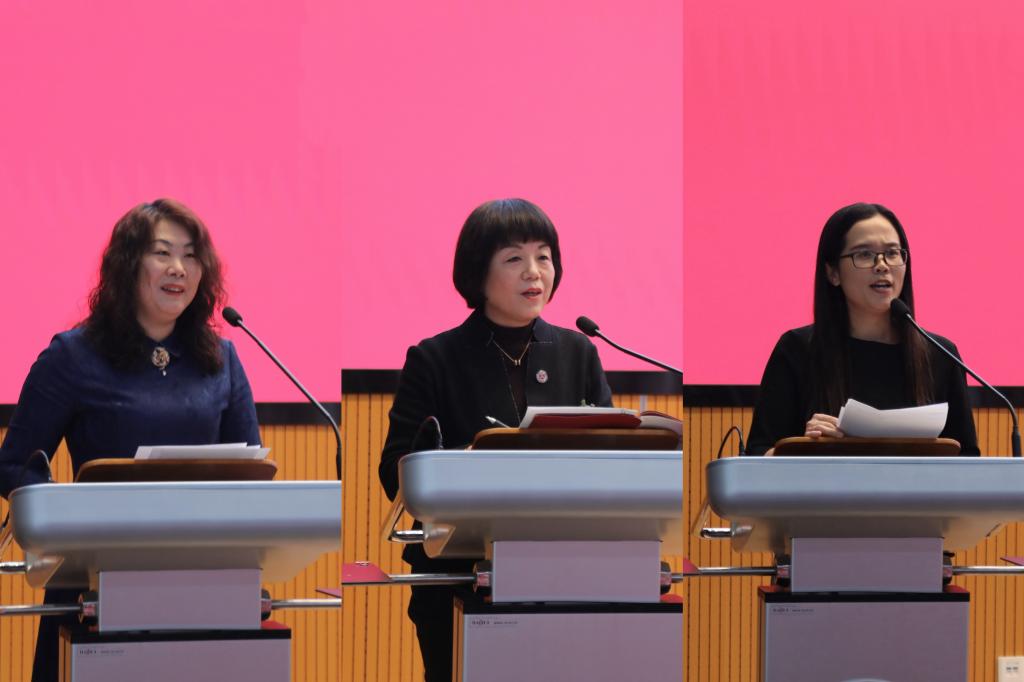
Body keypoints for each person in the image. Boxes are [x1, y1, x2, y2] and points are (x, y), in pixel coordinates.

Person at [0, 198, 261, 682]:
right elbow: (15, 465)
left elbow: (250, 475)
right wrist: (65, 523)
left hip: (201, 585)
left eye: (191, 255)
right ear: (128, 264)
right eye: (162, 253)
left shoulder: (221, 360)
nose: (178, 268)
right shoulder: (73, 356)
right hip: (93, 586)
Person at [379, 198, 612, 681]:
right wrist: (463, 466)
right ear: (477, 272)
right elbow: (394, 469)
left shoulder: (579, 353)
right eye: (514, 258)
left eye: (544, 256)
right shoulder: (434, 359)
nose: (534, 272)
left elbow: (611, 462)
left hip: (563, 573)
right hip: (456, 579)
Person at [746, 202, 979, 455]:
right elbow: (757, 454)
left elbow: (968, 459)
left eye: (892, 253)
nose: (882, 265)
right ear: (833, 273)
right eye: (864, 255)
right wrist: (802, 447)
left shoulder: (940, 355)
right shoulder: (797, 350)